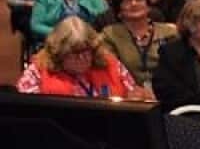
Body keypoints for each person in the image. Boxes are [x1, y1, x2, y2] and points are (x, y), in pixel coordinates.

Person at [17, 16, 146, 98]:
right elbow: (27, 110)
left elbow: (133, 96)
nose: (82, 58)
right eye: (74, 53)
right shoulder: (38, 70)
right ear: (59, 53)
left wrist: (137, 96)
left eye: (86, 51)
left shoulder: (111, 64)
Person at [100, 0, 179, 88]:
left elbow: (179, 70)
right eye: (127, 1)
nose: (134, 4)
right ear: (119, 10)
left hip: (167, 94)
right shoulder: (110, 35)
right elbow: (112, 72)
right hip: (127, 97)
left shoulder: (169, 33)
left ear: (147, 5)